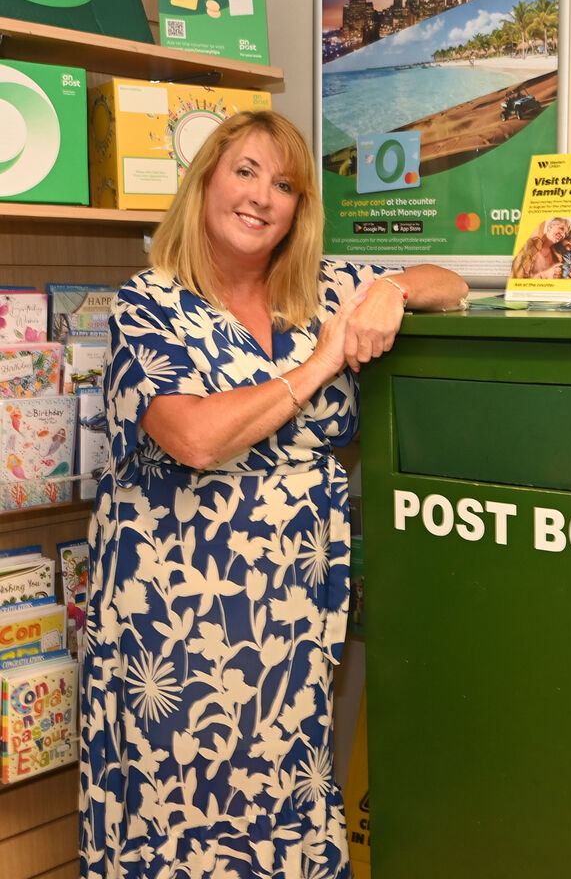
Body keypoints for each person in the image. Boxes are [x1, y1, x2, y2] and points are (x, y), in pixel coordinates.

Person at [78, 110, 468, 878]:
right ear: (205, 184)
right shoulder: (148, 302)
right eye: (246, 172)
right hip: (176, 612)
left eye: (285, 185)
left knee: (283, 797)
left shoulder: (324, 289)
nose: (262, 197)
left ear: (299, 209)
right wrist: (319, 365)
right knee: (181, 802)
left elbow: (450, 284)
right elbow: (195, 438)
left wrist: (390, 288)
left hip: (290, 608)